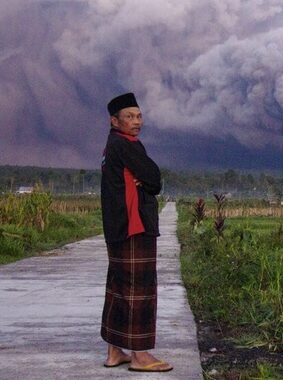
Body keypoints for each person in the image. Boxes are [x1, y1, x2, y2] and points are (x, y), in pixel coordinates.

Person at [100, 92, 173, 372]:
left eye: (139, 116)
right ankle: (141, 356)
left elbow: (147, 179)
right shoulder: (127, 145)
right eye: (129, 117)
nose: (136, 121)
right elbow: (154, 179)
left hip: (117, 229)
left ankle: (114, 352)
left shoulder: (110, 147)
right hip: (134, 228)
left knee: (118, 289)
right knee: (139, 291)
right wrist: (147, 181)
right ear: (114, 120)